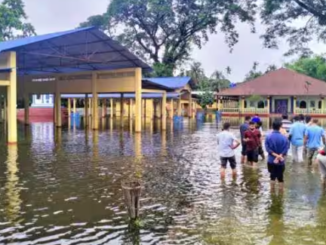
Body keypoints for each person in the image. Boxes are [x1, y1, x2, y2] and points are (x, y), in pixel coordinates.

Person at [265, 119, 289, 191]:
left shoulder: (268, 137)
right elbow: (286, 149)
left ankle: (272, 191)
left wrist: (275, 155)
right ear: (280, 127)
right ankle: (281, 193)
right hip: (281, 161)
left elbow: (267, 149)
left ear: (272, 126)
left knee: (272, 176)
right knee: (280, 177)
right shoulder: (284, 138)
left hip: (271, 160)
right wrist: (280, 156)